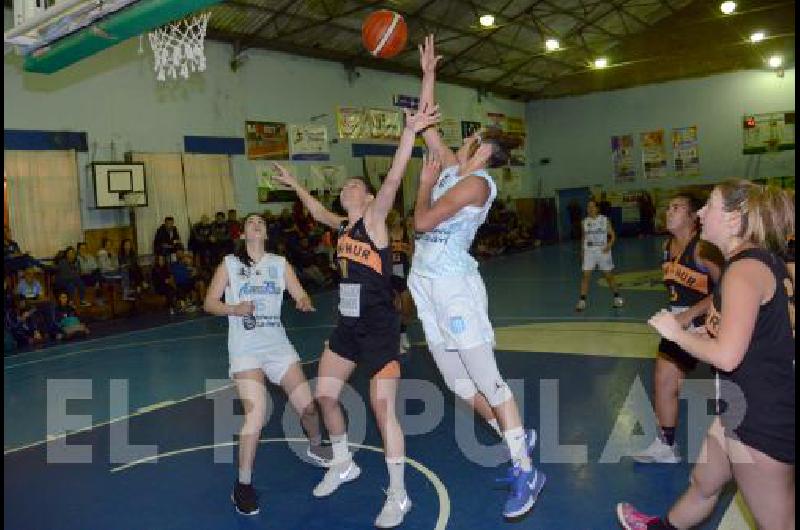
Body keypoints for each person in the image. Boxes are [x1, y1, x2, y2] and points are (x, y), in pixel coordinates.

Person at [271, 101, 439, 528]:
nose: (345, 190)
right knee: (325, 395)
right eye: (343, 187)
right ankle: (343, 463)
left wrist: (410, 133)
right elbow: (316, 212)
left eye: (351, 185)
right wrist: (295, 185)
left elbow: (396, 178)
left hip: (380, 328)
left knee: (384, 413)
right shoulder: (344, 228)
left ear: (365, 196)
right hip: (347, 326)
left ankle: (399, 495)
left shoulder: (375, 219)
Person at [408, 34, 543, 519]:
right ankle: (516, 437)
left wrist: (422, 186)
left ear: (483, 151)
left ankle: (526, 469)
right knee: (459, 386)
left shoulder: (474, 184)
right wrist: (428, 74)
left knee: (487, 381)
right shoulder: (453, 168)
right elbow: (427, 124)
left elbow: (421, 222)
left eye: (474, 137)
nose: (465, 138)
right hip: (424, 286)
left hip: (453, 287)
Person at [618, 180, 795, 530]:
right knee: (704, 482)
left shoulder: (743, 271)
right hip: (742, 405)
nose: (700, 213)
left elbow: (728, 357)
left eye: (709, 206)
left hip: (760, 418)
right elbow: (759, 331)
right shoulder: (756, 262)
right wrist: (704, 330)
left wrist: (677, 333)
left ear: (732, 220)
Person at [203, 213, 333, 516]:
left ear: (266, 233)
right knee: (256, 416)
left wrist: (302, 301)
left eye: (261, 222)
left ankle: (315, 444)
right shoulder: (229, 265)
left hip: (277, 347)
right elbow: (209, 302)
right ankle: (243, 486)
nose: (256, 224)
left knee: (309, 408)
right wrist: (234, 308)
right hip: (245, 349)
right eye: (250, 222)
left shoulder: (279, 263)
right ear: (244, 234)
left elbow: (300, 292)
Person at [633, 193, 722, 464]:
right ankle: (665, 446)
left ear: (693, 217)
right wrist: (678, 317)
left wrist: (691, 314)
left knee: (727, 391)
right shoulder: (667, 246)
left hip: (711, 323)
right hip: (679, 324)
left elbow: (727, 288)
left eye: (676, 208)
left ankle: (743, 444)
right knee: (664, 379)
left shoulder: (702, 249)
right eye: (668, 207)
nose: (668, 212)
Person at [575, 199, 624, 311]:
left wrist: (609, 245)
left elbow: (612, 235)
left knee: (608, 276)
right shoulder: (584, 222)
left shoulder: (604, 220)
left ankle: (617, 297)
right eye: (588, 207)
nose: (590, 209)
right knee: (585, 276)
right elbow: (583, 237)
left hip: (603, 251)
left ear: (597, 208)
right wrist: (582, 250)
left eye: (592, 207)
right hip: (589, 251)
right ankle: (582, 301)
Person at [387, 209, 414, 354]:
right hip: (389, 276)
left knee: (407, 307)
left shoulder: (407, 233)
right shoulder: (384, 234)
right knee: (394, 307)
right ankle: (395, 339)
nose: (399, 218)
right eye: (396, 216)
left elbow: (411, 254)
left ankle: (403, 334)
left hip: (403, 273)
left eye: (398, 216)